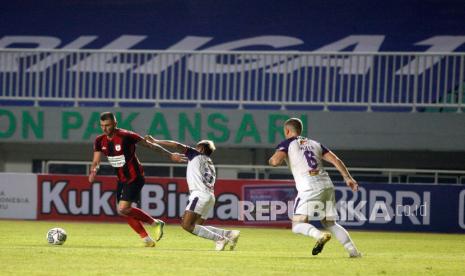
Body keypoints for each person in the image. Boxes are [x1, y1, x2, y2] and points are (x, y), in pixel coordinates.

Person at [89, 111, 186, 247]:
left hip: (135, 176)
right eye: (102, 126)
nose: (105, 128)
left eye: (108, 125)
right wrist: (94, 170)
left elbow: (150, 145)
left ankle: (155, 223)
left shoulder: (126, 136)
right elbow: (96, 161)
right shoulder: (100, 140)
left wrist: (170, 156)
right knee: (124, 211)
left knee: (123, 208)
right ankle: (147, 240)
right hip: (121, 179)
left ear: (115, 124)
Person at [268, 118, 361, 258]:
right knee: (330, 222)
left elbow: (275, 162)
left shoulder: (287, 144)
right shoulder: (315, 143)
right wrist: (348, 178)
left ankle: (319, 235)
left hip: (308, 187)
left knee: (297, 225)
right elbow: (336, 160)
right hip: (327, 185)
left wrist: (272, 159)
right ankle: (354, 252)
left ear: (287, 130)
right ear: (300, 130)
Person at [145, 135, 240, 251]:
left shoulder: (196, 154)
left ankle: (220, 239)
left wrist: (156, 141)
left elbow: (176, 145)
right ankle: (229, 234)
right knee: (196, 226)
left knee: (186, 225)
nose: (195, 148)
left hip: (199, 194)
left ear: (202, 149)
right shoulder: (210, 162)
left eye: (197, 146)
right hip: (209, 196)